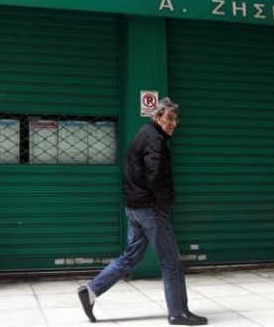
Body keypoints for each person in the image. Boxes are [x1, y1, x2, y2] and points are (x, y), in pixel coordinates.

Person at [77, 98, 208, 326]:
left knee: (131, 256)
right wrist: (166, 201)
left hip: (135, 208)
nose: (173, 123)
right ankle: (178, 313)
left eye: (176, 119)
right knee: (172, 262)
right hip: (151, 209)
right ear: (156, 116)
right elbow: (155, 176)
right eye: (169, 118)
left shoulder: (142, 135)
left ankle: (90, 290)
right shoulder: (155, 140)